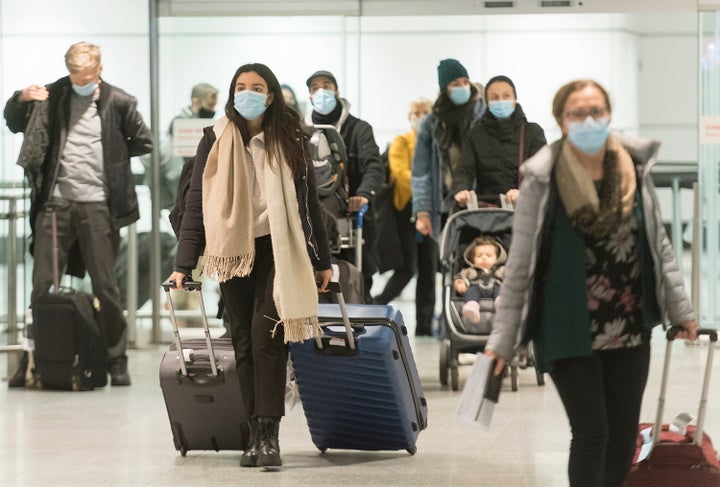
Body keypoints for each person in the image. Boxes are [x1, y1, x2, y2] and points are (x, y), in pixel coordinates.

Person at [483, 79, 698, 487]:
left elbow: (659, 244)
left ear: (609, 114)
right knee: (591, 432)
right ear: (561, 121)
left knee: (621, 437)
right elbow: (521, 264)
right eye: (577, 113)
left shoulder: (633, 167)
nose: (588, 120)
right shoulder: (543, 178)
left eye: (596, 111)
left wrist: (681, 309)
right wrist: (501, 339)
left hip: (629, 325)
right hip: (566, 326)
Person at [167, 63, 332, 468]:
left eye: (256, 87)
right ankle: (253, 433)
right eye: (241, 87)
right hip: (232, 250)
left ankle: (269, 434)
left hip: (278, 248)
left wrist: (321, 260)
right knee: (242, 340)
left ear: (271, 95)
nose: (247, 93)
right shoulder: (214, 138)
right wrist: (183, 265)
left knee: (266, 336)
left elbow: (310, 205)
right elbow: (196, 207)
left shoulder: (291, 139)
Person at [4, 41, 153, 387]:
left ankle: (117, 358)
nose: (79, 80)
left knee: (106, 284)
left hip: (98, 204)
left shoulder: (119, 101)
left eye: (85, 74)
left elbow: (142, 141)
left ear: (99, 70)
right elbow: (14, 123)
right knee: (41, 284)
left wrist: (113, 158)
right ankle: (35, 356)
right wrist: (19, 98)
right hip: (55, 203)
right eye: (74, 74)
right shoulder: (51, 96)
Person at [411, 58, 486, 336]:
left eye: (465, 82)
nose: (462, 88)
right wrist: (422, 212)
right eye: (455, 84)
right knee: (450, 267)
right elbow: (421, 171)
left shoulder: (482, 114)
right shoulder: (433, 123)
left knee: (481, 260)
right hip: (445, 204)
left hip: (480, 202)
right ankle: (453, 327)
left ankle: (480, 323)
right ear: (444, 89)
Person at [305, 69, 384, 301]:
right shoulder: (302, 129)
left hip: (351, 214)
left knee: (360, 274)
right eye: (315, 88)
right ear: (309, 95)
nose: (321, 92)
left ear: (337, 91)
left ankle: (359, 321)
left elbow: (374, 166)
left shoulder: (359, 129)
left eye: (326, 86)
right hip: (314, 208)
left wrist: (363, 194)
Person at [451, 75, 546, 209]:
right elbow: (464, 170)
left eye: (506, 96)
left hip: (524, 209)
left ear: (515, 99)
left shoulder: (532, 132)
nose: (501, 101)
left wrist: (524, 192)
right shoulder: (475, 135)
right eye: (494, 98)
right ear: (487, 102)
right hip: (487, 213)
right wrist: (462, 190)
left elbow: (542, 173)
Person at [372, 97, 433, 307]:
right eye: (416, 113)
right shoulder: (401, 141)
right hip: (404, 210)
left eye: (425, 113)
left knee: (429, 267)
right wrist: (426, 186)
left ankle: (424, 326)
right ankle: (377, 304)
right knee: (407, 267)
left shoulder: (436, 143)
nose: (420, 117)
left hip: (431, 209)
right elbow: (400, 172)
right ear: (410, 117)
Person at [147, 82, 219, 210]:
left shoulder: (206, 124)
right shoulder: (179, 123)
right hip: (180, 182)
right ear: (195, 102)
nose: (213, 110)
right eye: (209, 105)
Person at [453, 235, 505, 324]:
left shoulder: (501, 269)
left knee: (500, 289)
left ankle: (501, 304)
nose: (484, 258)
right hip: (475, 287)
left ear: (497, 258)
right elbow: (459, 277)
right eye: (479, 255)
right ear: (473, 259)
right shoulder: (469, 270)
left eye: (489, 255)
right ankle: (471, 307)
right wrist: (459, 283)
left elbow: (510, 279)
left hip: (496, 286)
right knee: (471, 290)